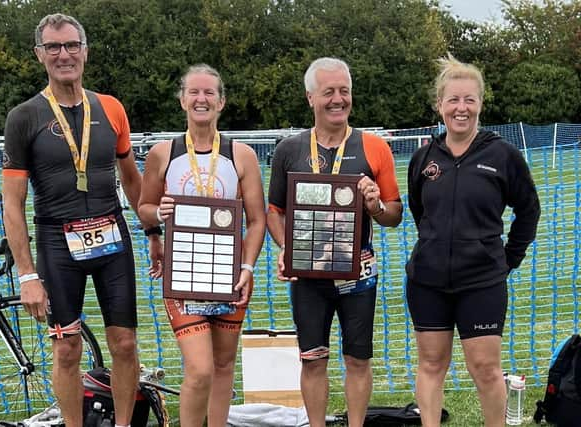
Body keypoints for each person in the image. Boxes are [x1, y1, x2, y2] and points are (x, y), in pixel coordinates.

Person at [2, 13, 162, 427]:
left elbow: (132, 181)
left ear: (85, 51)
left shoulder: (110, 108)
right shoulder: (25, 117)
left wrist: (153, 232)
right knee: (67, 348)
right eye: (53, 47)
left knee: (125, 344)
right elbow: (12, 205)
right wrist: (26, 276)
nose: (64, 54)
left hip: (112, 238)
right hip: (57, 242)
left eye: (72, 45)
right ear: (40, 55)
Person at [266, 57, 403, 427]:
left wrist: (375, 205)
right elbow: (274, 211)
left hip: (357, 272)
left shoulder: (374, 147)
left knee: (358, 359)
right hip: (309, 275)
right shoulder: (288, 151)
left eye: (344, 91)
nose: (338, 99)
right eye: (329, 92)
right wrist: (285, 248)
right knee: (313, 358)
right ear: (311, 97)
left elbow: (395, 214)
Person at [406, 54, 540, 427]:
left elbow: (529, 210)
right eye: (453, 100)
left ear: (481, 103)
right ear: (440, 105)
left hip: (482, 282)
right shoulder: (423, 159)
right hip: (427, 282)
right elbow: (421, 213)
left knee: (485, 368)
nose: (461, 108)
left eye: (469, 99)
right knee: (431, 364)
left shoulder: (503, 155)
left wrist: (506, 260)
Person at [138, 64, 266, 427]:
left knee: (224, 366)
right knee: (200, 369)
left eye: (209, 92)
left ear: (221, 102)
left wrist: (248, 267)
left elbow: (256, 220)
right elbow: (145, 208)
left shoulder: (242, 155)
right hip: (183, 277)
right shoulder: (163, 153)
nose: (201, 99)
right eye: (194, 92)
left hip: (229, 275)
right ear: (182, 100)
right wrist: (157, 213)